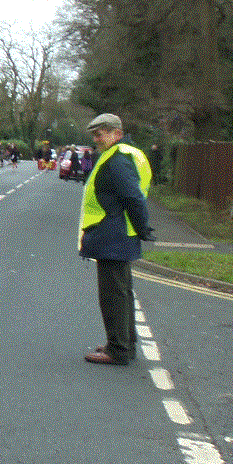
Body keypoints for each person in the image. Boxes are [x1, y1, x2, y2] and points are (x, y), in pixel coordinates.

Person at [79, 114, 154, 366]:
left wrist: (144, 227)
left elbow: (133, 196)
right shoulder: (124, 154)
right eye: (95, 134)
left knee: (113, 294)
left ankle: (118, 349)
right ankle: (124, 343)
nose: (96, 139)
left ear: (117, 134)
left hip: (113, 233)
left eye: (100, 134)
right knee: (121, 292)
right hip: (117, 232)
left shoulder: (118, 158)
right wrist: (141, 228)